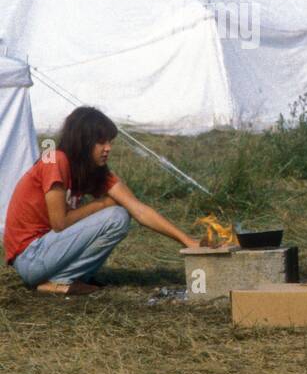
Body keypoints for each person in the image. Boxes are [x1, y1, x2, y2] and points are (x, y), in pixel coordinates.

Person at [4, 107, 199, 294]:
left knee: (122, 215)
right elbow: (59, 222)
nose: (108, 148)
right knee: (116, 216)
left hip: (48, 253)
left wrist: (187, 241)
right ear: (83, 142)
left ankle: (59, 281)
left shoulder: (93, 171)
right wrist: (101, 204)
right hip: (30, 257)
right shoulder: (54, 159)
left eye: (110, 142)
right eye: (101, 142)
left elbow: (138, 209)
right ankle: (60, 280)